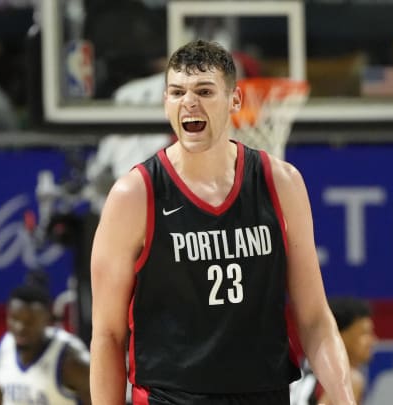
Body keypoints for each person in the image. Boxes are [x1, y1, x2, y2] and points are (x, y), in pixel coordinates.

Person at [90, 39, 356, 405]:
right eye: (177, 92)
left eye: (204, 91)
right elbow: (107, 335)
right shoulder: (134, 195)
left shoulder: (281, 182)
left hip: (265, 393)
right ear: (166, 102)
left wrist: (344, 398)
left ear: (235, 100)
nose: (189, 102)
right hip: (170, 397)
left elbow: (313, 317)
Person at [0, 270, 92, 405]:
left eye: (30, 321)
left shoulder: (72, 360)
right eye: (15, 319)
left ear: (48, 320)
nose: (21, 327)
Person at [290, 297, 377, 405]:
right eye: (364, 333)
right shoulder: (350, 379)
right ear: (339, 336)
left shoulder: (300, 368)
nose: (373, 341)